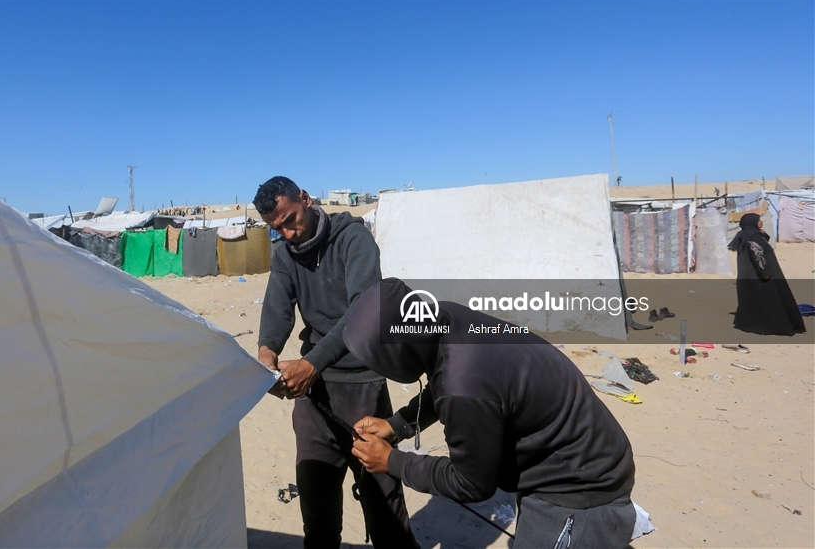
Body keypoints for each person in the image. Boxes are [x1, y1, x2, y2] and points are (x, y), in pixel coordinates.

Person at [345, 279, 638, 548]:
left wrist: (392, 461)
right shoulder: (445, 318)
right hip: (581, 448)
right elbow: (450, 376)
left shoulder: (464, 387)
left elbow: (471, 484)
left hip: (580, 489)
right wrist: (399, 424)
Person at [254, 177, 419, 549]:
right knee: (317, 507)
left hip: (363, 384)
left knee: (383, 504)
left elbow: (364, 312)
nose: (288, 232)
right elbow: (277, 311)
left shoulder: (353, 239)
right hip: (314, 399)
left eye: (291, 219)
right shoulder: (283, 254)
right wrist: (267, 354)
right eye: (276, 228)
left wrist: (311, 363)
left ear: (306, 199)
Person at [727, 213, 806, 336]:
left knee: (753, 301)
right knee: (770, 300)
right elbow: (757, 254)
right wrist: (764, 272)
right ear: (753, 222)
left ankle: (750, 324)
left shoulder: (744, 234)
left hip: (748, 275)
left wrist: (762, 235)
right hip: (759, 275)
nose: (761, 222)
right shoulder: (753, 237)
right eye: (759, 220)